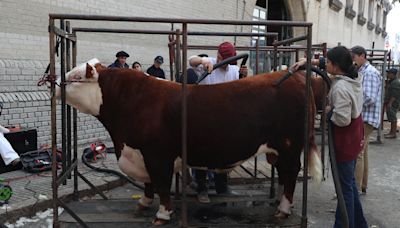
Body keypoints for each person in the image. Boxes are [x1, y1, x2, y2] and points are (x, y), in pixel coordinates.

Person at [293, 46, 368, 228]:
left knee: (344, 191)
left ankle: (342, 225)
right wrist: (308, 63)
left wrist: (328, 113)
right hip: (354, 136)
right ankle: (359, 224)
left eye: (329, 62)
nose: (326, 65)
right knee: (349, 185)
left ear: (335, 65)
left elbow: (342, 120)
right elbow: (330, 64)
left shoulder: (340, 87)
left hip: (345, 140)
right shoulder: (353, 76)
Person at [188, 41, 247, 203]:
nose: (228, 64)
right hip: (205, 118)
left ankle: (222, 187)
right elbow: (191, 60)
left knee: (224, 155)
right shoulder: (209, 64)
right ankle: (201, 188)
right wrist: (202, 60)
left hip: (225, 120)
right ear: (219, 56)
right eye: (225, 60)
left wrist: (243, 76)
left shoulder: (234, 70)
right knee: (201, 154)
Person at [351, 45, 382, 195]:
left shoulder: (369, 73)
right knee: (364, 151)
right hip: (366, 117)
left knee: (358, 152)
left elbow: (369, 98)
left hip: (366, 117)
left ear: (362, 55)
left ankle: (355, 188)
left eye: (354, 57)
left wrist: (352, 100)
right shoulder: (363, 71)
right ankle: (363, 184)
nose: (353, 61)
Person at [383, 68, 400, 138]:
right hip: (390, 102)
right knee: (391, 117)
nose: (387, 74)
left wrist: (390, 103)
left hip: (393, 102)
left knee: (393, 118)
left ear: (393, 74)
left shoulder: (395, 82)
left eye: (389, 73)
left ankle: (393, 133)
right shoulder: (391, 81)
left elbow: (394, 94)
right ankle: (391, 131)